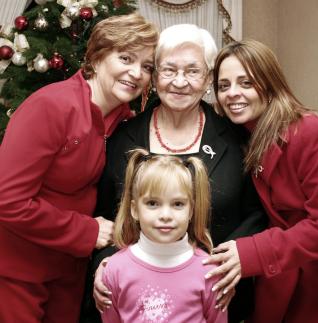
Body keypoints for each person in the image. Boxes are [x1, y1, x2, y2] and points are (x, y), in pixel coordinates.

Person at [81, 25, 267, 323]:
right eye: (169, 70)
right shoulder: (122, 138)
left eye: (193, 71)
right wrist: (103, 264)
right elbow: (104, 214)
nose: (180, 82)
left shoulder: (237, 137)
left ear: (208, 78)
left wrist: (236, 261)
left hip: (218, 295)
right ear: (154, 77)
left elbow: (258, 212)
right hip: (135, 302)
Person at [203, 39, 318, 323]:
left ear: (270, 83)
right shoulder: (244, 135)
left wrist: (252, 252)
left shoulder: (309, 132)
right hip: (295, 276)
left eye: (246, 83)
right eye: (224, 86)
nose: (233, 93)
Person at [0, 13, 158, 323]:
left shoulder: (125, 121)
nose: (136, 72)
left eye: (147, 66)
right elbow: (7, 200)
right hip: (19, 271)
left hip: (69, 273)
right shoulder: (52, 106)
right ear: (97, 58)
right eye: (125, 57)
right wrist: (86, 230)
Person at [101, 148, 227, 323]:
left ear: (191, 210)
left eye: (177, 204)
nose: (166, 215)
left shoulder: (209, 272)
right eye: (153, 203)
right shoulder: (115, 270)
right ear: (135, 209)